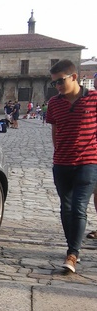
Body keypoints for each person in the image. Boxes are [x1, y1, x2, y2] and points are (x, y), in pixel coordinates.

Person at [46, 59, 97, 273]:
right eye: (54, 83)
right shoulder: (54, 103)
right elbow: (55, 131)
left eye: (60, 81)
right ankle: (72, 247)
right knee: (65, 209)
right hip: (62, 163)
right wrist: (59, 153)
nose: (57, 86)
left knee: (78, 207)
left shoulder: (94, 99)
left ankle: (73, 254)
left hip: (87, 162)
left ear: (74, 77)